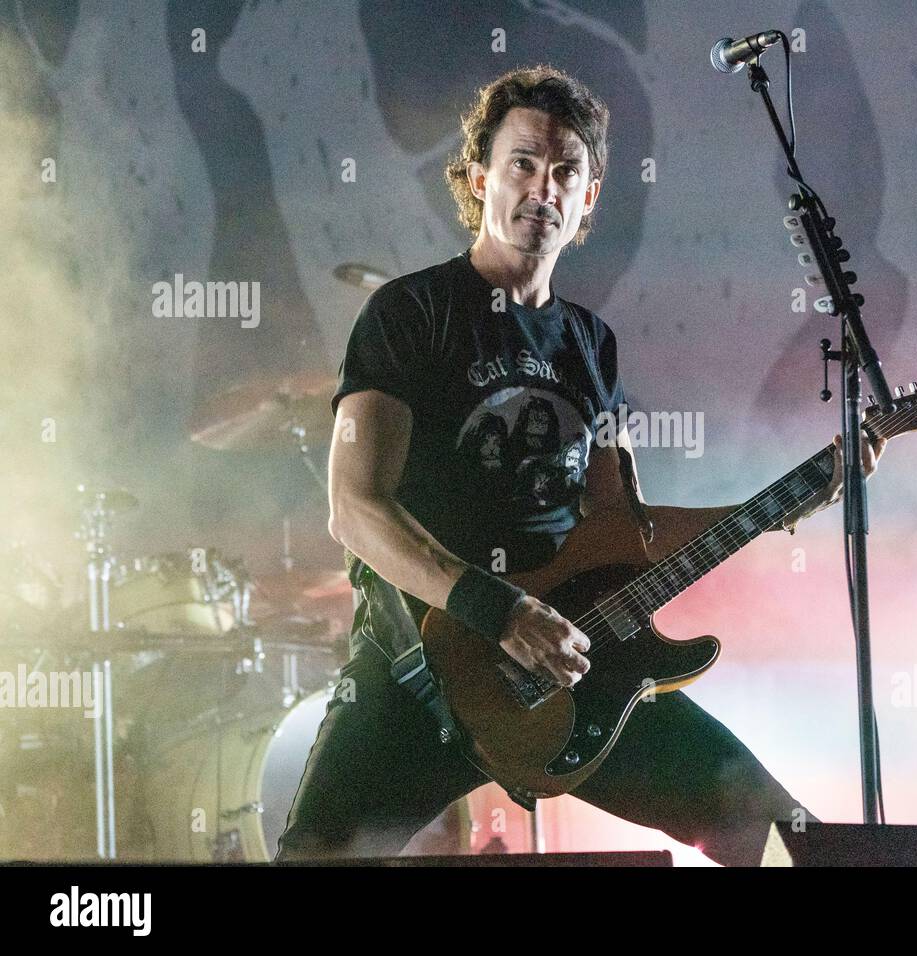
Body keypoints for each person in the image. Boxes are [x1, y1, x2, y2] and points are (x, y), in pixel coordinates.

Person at [275, 65, 885, 866]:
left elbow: (625, 532)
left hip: (578, 664)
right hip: (425, 665)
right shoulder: (411, 313)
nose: (544, 187)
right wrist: (500, 613)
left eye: (567, 171)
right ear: (476, 178)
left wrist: (791, 498)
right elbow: (354, 510)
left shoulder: (591, 346)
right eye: (523, 163)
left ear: (590, 196)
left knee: (786, 840)